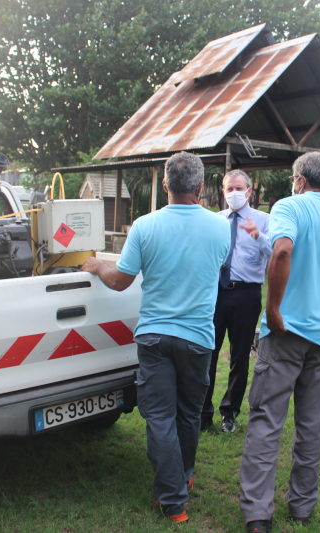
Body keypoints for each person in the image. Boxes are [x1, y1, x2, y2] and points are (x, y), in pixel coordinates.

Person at [81, 152, 230, 525]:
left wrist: (98, 264)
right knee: (189, 413)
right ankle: (184, 476)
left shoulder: (144, 226)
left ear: (164, 185)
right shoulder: (220, 227)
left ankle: (173, 501)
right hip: (198, 337)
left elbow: (120, 281)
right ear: (200, 188)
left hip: (155, 337)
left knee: (160, 417)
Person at [239, 152, 320, 532]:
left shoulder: (288, 207)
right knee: (311, 426)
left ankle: (258, 514)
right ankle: (302, 507)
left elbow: (281, 250)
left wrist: (273, 309)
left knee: (266, 421)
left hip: (286, 332)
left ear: (299, 179)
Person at [203, 169, 272, 434]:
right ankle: (203, 412)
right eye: (229, 188)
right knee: (208, 351)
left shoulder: (264, 220)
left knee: (239, 355)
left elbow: (277, 253)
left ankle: (229, 412)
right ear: (223, 191)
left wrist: (259, 236)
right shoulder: (215, 220)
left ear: (249, 191)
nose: (234, 193)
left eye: (238, 188)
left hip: (247, 293)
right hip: (216, 292)